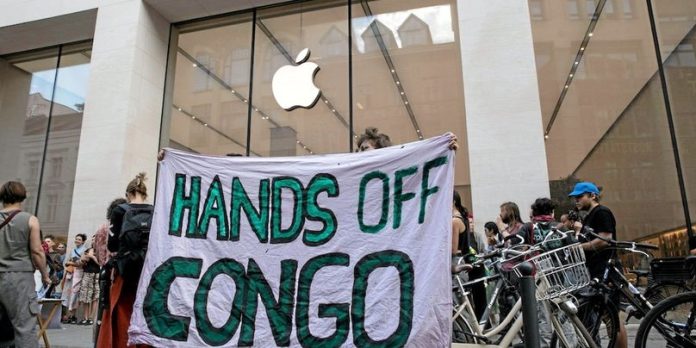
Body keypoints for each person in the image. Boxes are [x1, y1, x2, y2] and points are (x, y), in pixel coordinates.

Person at [97, 173, 153, 348]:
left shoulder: (120, 210)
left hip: (125, 269)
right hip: (148, 270)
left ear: (128, 194)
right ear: (145, 193)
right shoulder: (156, 210)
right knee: (145, 312)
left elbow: (113, 246)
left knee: (122, 312)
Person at [569, 181, 627, 348]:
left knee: (612, 318)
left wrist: (580, 247)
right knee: (607, 316)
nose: (576, 201)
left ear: (592, 195)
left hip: (607, 269)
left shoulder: (602, 212)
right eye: (575, 198)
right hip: (596, 270)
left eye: (580, 197)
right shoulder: (589, 216)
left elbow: (605, 239)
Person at [0, 181, 50, 348]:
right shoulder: (30, 220)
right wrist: (45, 275)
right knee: (24, 326)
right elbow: (37, 251)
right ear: (22, 196)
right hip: (19, 278)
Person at [94, 198, 127, 267]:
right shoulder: (128, 226)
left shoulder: (103, 228)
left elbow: (99, 252)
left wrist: (104, 265)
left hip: (109, 265)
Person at [65, 233, 87, 324]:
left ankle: (73, 315)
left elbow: (82, 263)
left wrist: (71, 263)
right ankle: (70, 315)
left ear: (83, 241)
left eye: (79, 239)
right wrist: (70, 263)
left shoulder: (84, 250)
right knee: (70, 293)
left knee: (75, 294)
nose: (77, 240)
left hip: (79, 273)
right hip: (71, 273)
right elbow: (68, 261)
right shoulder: (72, 250)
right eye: (76, 239)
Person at [78, 247, 100, 325]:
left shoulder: (101, 251)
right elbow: (80, 264)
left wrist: (93, 257)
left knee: (95, 296)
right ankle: (85, 317)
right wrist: (83, 259)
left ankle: (91, 318)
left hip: (97, 275)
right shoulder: (86, 251)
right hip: (87, 274)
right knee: (85, 296)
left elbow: (101, 264)